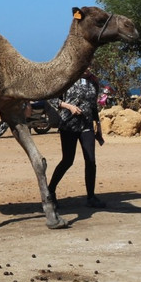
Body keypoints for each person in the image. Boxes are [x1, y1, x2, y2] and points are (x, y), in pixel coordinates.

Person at [47, 70, 105, 208]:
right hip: (68, 124)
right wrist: (68, 106)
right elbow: (52, 98)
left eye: (90, 64)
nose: (88, 67)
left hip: (87, 125)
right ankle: (50, 190)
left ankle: (91, 197)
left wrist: (98, 124)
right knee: (68, 160)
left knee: (90, 160)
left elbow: (93, 105)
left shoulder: (93, 81)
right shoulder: (66, 78)